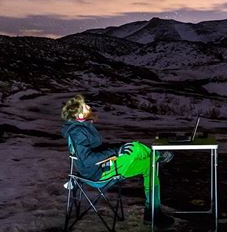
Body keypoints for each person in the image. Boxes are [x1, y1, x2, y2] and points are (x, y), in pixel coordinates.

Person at [61, 94, 174, 228]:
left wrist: (117, 148)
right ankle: (157, 157)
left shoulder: (82, 127)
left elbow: (97, 149)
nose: (89, 107)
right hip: (99, 174)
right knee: (135, 148)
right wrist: (115, 151)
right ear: (79, 116)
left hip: (102, 166)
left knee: (150, 167)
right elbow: (87, 159)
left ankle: (153, 214)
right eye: (85, 106)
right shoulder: (78, 132)